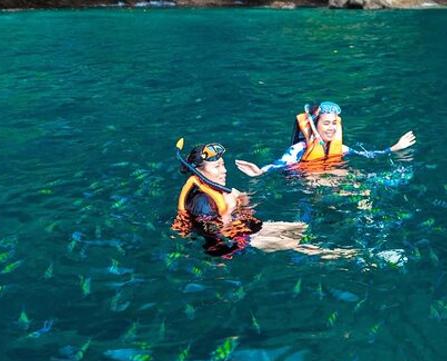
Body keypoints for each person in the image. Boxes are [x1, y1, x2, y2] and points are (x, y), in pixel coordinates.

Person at [172, 142, 355, 259]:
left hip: (244, 228)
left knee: (301, 228)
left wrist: (245, 194)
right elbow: (214, 236)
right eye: (217, 166)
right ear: (200, 172)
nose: (224, 170)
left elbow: (247, 207)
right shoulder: (201, 202)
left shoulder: (222, 191)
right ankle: (350, 257)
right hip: (237, 243)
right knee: (299, 245)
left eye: (223, 164)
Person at [235, 101, 416, 177]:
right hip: (305, 181)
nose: (331, 128)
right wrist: (261, 171)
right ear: (315, 126)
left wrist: (393, 148)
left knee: (356, 178)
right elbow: (280, 163)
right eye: (326, 123)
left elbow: (367, 155)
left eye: (334, 123)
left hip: (328, 177)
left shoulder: (341, 148)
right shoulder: (299, 149)